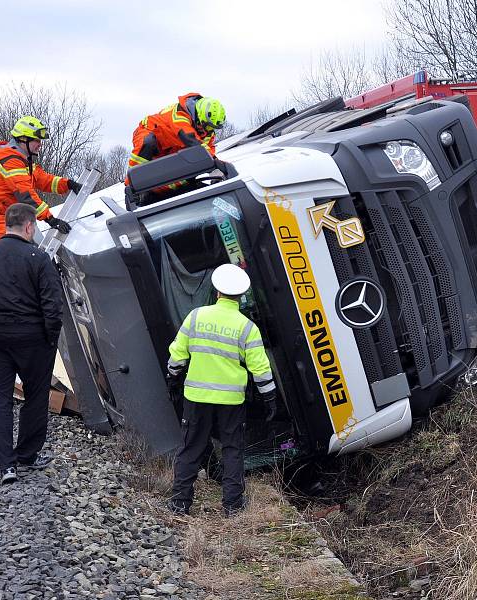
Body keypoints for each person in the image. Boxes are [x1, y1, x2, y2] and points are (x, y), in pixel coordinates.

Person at [0, 203, 63, 484]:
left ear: (6, 225)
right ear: (29, 226)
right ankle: (27, 454)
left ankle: (3, 466)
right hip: (33, 340)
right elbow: (53, 306)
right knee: (36, 395)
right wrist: (49, 338)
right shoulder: (39, 258)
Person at [166, 264, 277, 516]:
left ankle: (180, 503)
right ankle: (233, 506)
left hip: (197, 397)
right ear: (240, 295)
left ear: (216, 291)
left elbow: (178, 354)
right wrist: (269, 396)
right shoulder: (248, 328)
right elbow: (260, 368)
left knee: (191, 448)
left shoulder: (195, 317)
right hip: (230, 401)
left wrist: (172, 378)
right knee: (232, 449)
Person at [0, 115, 79, 248]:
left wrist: (68, 184)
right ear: (23, 139)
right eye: (37, 140)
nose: (40, 144)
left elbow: (44, 180)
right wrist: (50, 219)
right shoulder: (11, 161)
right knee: (23, 246)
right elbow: (25, 195)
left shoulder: (22, 161)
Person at [124, 93, 231, 206]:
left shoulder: (206, 131)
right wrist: (214, 164)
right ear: (198, 116)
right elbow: (190, 139)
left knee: (187, 167)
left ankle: (175, 193)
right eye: (207, 126)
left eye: (212, 128)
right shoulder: (180, 114)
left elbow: (207, 151)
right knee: (147, 143)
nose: (208, 130)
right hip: (152, 133)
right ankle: (132, 188)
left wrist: (217, 172)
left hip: (172, 146)